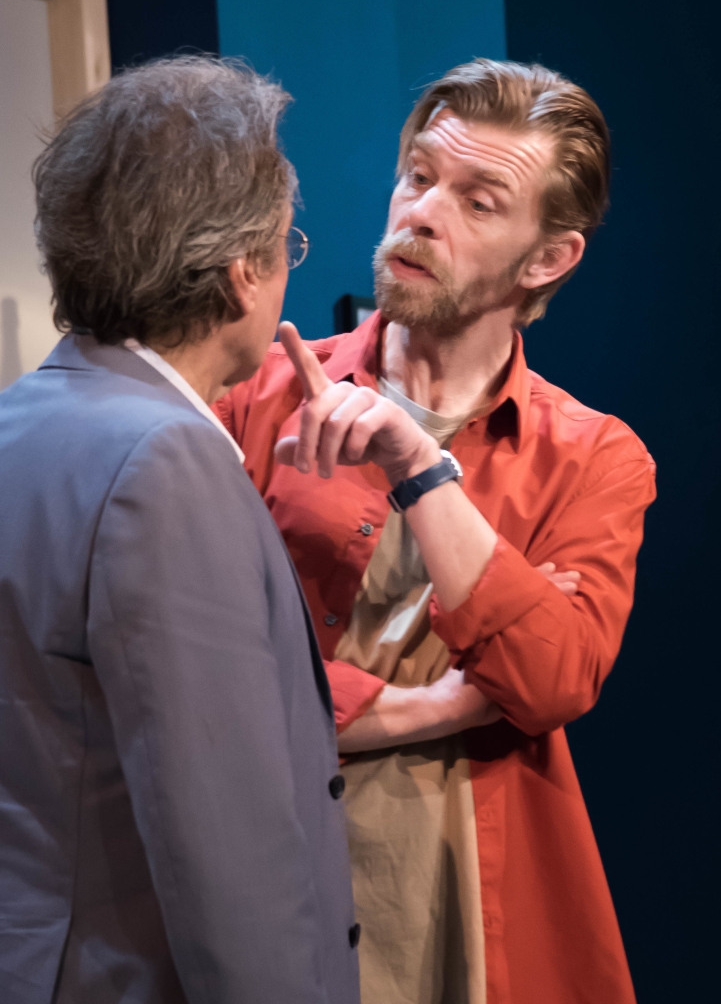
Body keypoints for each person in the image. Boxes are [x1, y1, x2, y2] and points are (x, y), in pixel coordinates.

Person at [214, 58, 657, 1004]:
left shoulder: (595, 457)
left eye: (477, 201)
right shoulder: (253, 397)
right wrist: (449, 703)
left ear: (547, 259)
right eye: (417, 176)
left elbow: (549, 682)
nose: (421, 212)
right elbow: (207, 681)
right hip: (271, 879)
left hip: (472, 899)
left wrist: (419, 465)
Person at [0, 58, 360, 1004]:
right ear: (243, 273)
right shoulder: (166, 463)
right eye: (288, 246)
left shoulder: (21, 422)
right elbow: (228, 853)